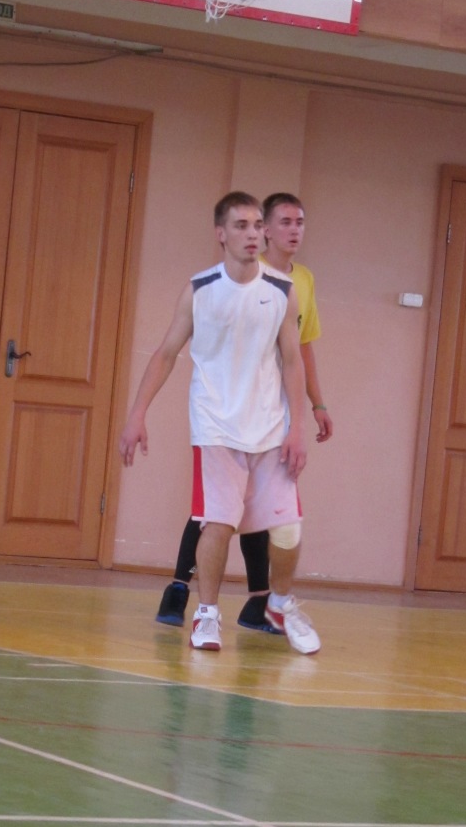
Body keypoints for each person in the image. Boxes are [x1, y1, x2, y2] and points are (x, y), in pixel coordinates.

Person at [119, 191, 321, 655]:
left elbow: (293, 362)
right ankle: (207, 614)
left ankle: (279, 604)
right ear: (221, 234)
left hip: (270, 430)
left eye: (257, 225)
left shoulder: (282, 291)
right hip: (215, 427)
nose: (253, 234)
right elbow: (166, 354)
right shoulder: (199, 290)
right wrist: (137, 414)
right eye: (241, 226)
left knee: (288, 530)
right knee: (218, 524)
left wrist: (298, 427)